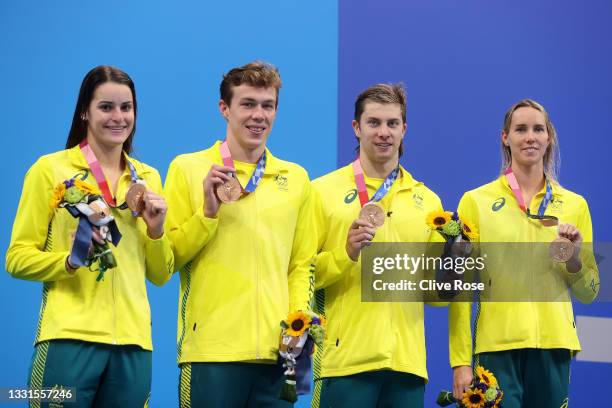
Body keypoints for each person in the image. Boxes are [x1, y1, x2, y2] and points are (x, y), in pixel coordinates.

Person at [6, 65, 174, 407]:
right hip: (68, 339)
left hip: (134, 344)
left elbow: (160, 274)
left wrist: (156, 230)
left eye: (126, 108)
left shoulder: (147, 179)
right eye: (106, 107)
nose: (118, 117)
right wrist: (68, 261)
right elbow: (17, 258)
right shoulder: (50, 170)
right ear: (85, 111)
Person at [163, 61, 316, 407]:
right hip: (211, 352)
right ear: (224, 109)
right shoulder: (187, 169)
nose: (258, 115)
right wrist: (207, 213)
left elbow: (302, 264)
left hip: (277, 359)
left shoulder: (296, 179)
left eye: (267, 105)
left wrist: (297, 327)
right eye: (247, 104)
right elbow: (166, 259)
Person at [449, 99, 599, 408]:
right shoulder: (475, 202)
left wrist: (573, 260)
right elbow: (461, 291)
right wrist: (460, 362)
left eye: (537, 129)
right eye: (520, 129)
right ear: (505, 137)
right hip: (496, 349)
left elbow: (590, 292)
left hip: (554, 347)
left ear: (549, 138)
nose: (529, 136)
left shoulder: (575, 205)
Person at [311, 83, 444, 408]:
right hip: (345, 362)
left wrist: (454, 266)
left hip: (407, 366)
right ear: (357, 128)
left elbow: (437, 298)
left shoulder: (429, 202)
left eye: (392, 123)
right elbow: (303, 276)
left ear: (404, 129)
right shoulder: (321, 192)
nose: (383, 132)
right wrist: (346, 253)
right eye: (374, 123)